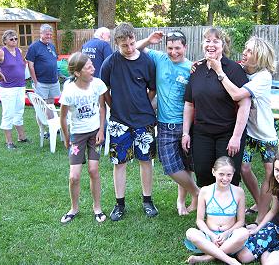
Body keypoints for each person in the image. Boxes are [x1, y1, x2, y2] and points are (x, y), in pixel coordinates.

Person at [210, 36, 278, 223]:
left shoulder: (264, 76)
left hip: (266, 135)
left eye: (250, 51)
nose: (244, 53)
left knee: (269, 173)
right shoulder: (241, 69)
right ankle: (259, 202)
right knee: (243, 168)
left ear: (260, 56)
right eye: (245, 49)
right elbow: (222, 59)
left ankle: (262, 217)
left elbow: (237, 94)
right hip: (248, 132)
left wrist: (220, 73)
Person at [136, 30, 199, 215]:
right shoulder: (160, 59)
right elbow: (134, 47)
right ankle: (197, 193)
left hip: (186, 124)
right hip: (164, 124)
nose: (173, 52)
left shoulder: (191, 68)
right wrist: (149, 40)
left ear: (185, 47)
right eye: (170, 48)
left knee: (185, 165)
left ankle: (181, 201)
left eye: (177, 48)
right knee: (170, 166)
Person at [100, 22, 158, 221]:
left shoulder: (147, 61)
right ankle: (119, 204)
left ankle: (148, 200)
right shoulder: (110, 62)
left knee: (146, 161)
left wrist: (143, 104)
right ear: (117, 43)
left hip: (144, 120)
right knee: (120, 163)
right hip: (119, 121)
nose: (130, 48)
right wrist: (113, 106)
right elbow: (103, 89)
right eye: (125, 45)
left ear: (135, 38)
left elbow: (152, 89)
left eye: (132, 43)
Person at [182, 27, 250, 188]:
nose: (211, 45)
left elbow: (244, 105)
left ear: (223, 45)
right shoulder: (196, 69)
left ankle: (230, 211)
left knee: (228, 175)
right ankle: (209, 209)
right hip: (202, 133)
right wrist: (185, 132)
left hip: (227, 134)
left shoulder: (234, 69)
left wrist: (236, 137)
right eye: (207, 41)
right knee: (203, 172)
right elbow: (189, 104)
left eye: (215, 41)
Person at [59, 52, 107, 224]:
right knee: (74, 176)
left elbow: (102, 108)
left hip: (95, 133)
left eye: (92, 65)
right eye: (88, 67)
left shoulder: (98, 84)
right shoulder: (69, 91)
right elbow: (63, 117)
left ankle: (97, 207)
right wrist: (66, 138)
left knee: (94, 170)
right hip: (77, 135)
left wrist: (102, 130)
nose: (93, 69)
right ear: (78, 73)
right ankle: (74, 208)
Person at [184, 156, 249, 265]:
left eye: (229, 175)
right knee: (190, 233)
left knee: (244, 233)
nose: (225, 178)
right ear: (213, 172)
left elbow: (241, 221)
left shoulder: (239, 192)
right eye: (221, 174)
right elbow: (199, 220)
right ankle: (229, 260)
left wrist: (227, 233)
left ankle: (206, 258)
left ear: (233, 173)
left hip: (229, 237)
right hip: (209, 237)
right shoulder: (205, 191)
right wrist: (211, 235)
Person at [0, 30, 29, 149]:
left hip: (20, 86)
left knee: (19, 111)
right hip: (8, 88)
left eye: (16, 39)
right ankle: (9, 142)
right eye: (11, 39)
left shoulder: (19, 51)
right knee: (8, 113)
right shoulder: (1, 52)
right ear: (5, 41)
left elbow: (22, 64)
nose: (14, 41)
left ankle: (22, 137)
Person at [26, 24, 60, 105]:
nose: (49, 36)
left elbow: (54, 62)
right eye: (47, 34)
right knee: (41, 106)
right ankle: (43, 118)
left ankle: (50, 118)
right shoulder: (34, 47)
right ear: (41, 34)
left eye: (51, 34)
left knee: (51, 104)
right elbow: (30, 66)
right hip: (41, 82)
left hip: (53, 82)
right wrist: (35, 81)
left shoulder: (52, 46)